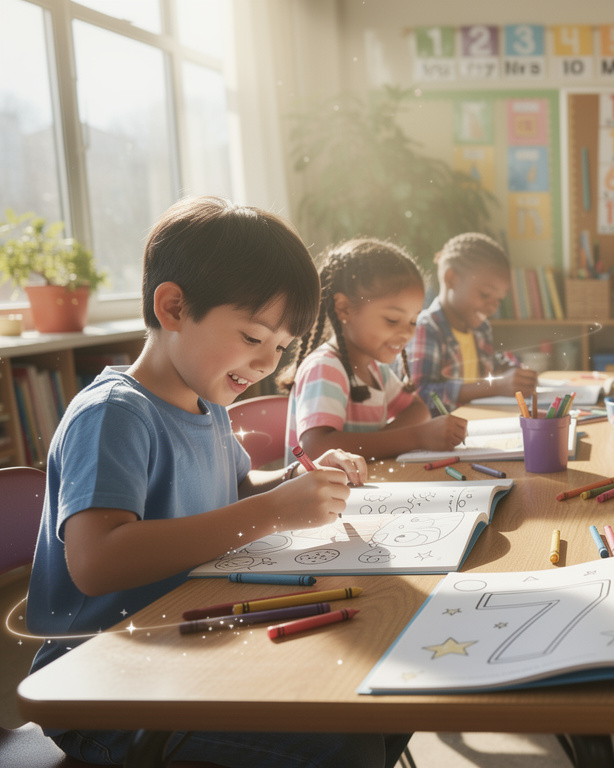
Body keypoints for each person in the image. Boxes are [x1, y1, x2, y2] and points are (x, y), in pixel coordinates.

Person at [26, 196, 410, 767]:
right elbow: (97, 560)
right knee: (344, 744)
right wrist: (275, 511)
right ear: (174, 307)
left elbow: (237, 493)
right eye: (253, 338)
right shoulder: (113, 415)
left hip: (191, 640)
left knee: (387, 701)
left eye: (281, 348)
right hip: (104, 686)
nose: (268, 364)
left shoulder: (208, 407)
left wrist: (295, 482)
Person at [283, 238, 467, 461]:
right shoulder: (324, 368)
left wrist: (383, 442)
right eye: (392, 320)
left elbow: (418, 410)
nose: (407, 333)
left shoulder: (375, 369)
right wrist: (415, 438)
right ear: (344, 308)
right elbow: (317, 448)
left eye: (413, 321)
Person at [407, 232, 538, 410]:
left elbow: (491, 365)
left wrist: (516, 374)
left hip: (477, 422)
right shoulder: (426, 328)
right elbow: (419, 394)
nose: (493, 308)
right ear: (451, 279)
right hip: (443, 426)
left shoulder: (481, 329)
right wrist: (495, 386)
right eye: (485, 294)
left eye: (499, 300)